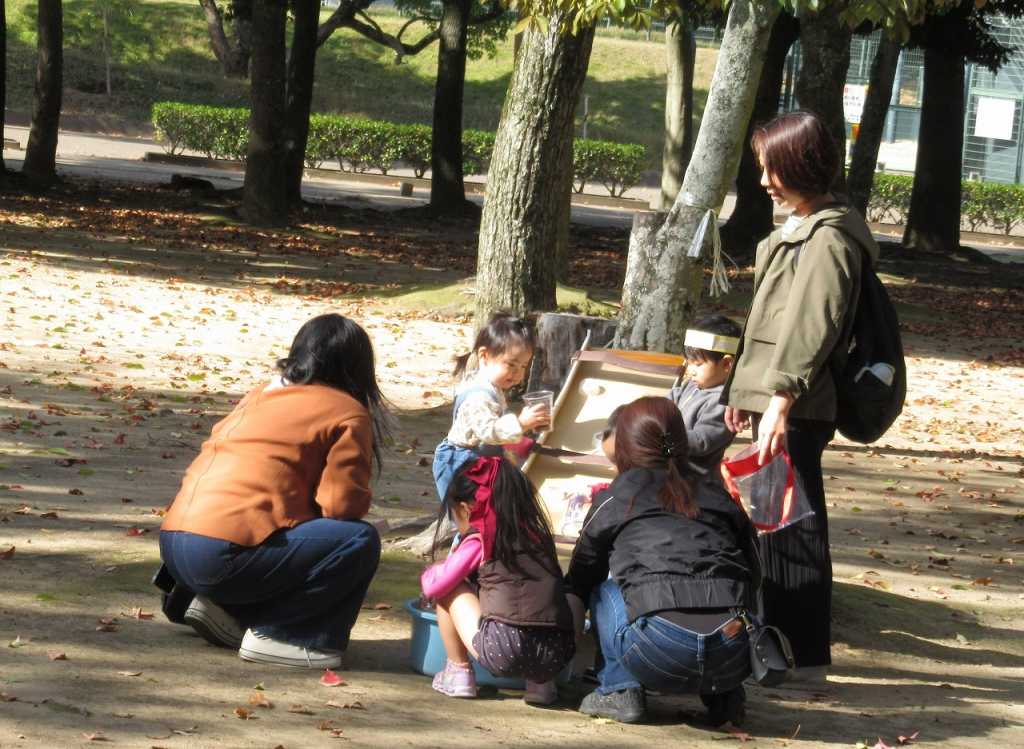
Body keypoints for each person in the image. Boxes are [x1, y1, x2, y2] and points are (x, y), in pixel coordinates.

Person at [721, 109, 879, 686]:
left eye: (772, 169)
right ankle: (779, 642)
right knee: (775, 522)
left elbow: (813, 327)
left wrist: (781, 399)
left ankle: (800, 652)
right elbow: (769, 322)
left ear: (803, 164)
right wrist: (743, 389)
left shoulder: (830, 236)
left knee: (793, 526)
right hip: (774, 401)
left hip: (796, 406)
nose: (763, 181)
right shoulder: (801, 228)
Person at [159, 313, 392, 669]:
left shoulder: (258, 396)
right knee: (358, 540)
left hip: (174, 545)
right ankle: (285, 635)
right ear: (357, 367)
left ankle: (224, 608)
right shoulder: (348, 411)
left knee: (289, 535)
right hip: (222, 555)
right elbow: (341, 507)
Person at [565, 397, 761, 726]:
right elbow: (754, 573)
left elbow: (581, 574)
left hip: (656, 651)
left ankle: (619, 689)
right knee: (727, 594)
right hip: (735, 650)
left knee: (602, 588)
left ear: (625, 445)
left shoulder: (616, 496)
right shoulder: (717, 493)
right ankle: (725, 695)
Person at [421, 457, 576, 704]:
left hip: (504, 649)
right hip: (555, 654)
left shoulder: (480, 538)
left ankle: (458, 672)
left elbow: (435, 585)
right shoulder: (539, 538)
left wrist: (435, 570)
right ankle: (542, 685)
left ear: (466, 509)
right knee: (559, 596)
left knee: (449, 589)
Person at [432, 313, 550, 501]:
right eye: (511, 364)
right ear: (484, 356)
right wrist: (521, 424)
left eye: (523, 366)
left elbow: (494, 425)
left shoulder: (491, 386)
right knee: (471, 518)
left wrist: (516, 442)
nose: (517, 373)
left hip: (477, 462)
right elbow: (489, 432)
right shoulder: (479, 396)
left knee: (484, 514)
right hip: (461, 465)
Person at [668, 315, 742, 473]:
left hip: (694, 479)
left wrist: (663, 435)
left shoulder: (721, 403)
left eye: (698, 364)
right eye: (689, 363)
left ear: (726, 363)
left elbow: (701, 441)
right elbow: (670, 400)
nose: (691, 371)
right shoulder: (693, 384)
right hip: (672, 468)